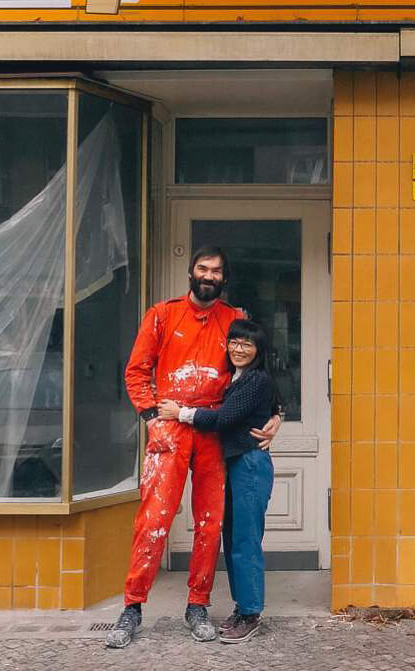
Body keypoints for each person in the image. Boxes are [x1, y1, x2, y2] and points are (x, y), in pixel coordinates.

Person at [106, 246, 280, 649]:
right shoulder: (162, 315)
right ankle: (132, 606)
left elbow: (259, 369)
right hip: (170, 430)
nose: (209, 275)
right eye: (203, 268)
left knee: (210, 524)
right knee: (153, 521)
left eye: (217, 271)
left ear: (224, 278)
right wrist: (151, 418)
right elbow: (136, 371)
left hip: (215, 433)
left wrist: (278, 414)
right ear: (191, 272)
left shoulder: (235, 320)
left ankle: (197, 604)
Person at [159, 318, 279, 644]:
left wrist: (180, 413)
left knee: (246, 541)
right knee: (233, 538)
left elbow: (224, 419)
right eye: (235, 342)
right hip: (235, 464)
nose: (239, 349)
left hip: (250, 465)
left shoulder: (256, 380)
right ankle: (243, 608)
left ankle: (251, 613)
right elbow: (276, 401)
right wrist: (277, 414)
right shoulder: (236, 378)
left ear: (258, 350)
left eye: (247, 344)